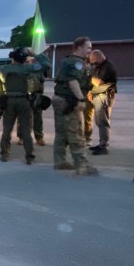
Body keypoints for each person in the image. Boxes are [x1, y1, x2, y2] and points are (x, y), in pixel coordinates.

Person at [52, 37, 97, 174]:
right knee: (76, 133)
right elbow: (73, 81)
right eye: (88, 47)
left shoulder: (67, 60)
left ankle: (59, 161)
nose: (90, 50)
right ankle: (82, 165)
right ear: (79, 47)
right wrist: (81, 99)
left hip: (59, 99)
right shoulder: (77, 63)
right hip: (69, 101)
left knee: (61, 133)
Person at [0, 49, 36, 163]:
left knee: (7, 129)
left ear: (12, 58)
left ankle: (5, 154)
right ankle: (29, 156)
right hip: (24, 100)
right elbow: (45, 64)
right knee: (26, 130)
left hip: (9, 100)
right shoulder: (26, 68)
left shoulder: (4, 69)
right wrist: (33, 54)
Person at [86, 49, 118, 155]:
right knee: (99, 121)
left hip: (105, 96)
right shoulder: (100, 66)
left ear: (99, 58)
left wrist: (89, 75)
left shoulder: (108, 67)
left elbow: (99, 82)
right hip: (99, 95)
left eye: (94, 61)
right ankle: (101, 144)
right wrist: (91, 93)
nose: (93, 64)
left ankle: (104, 146)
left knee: (103, 122)